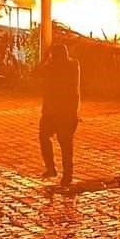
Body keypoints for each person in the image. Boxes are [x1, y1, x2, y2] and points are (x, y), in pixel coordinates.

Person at [39, 42, 80, 187]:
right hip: (55, 111)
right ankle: (57, 171)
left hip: (63, 112)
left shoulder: (62, 67)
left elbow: (37, 73)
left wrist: (45, 60)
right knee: (55, 140)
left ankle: (63, 173)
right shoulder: (71, 65)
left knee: (64, 143)